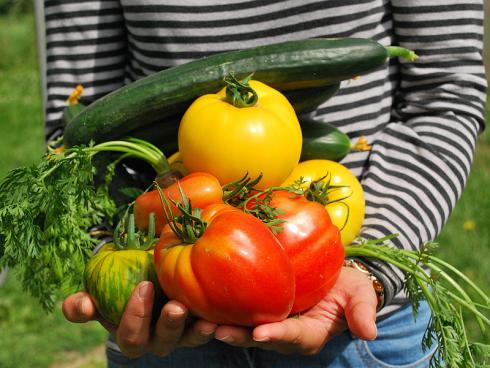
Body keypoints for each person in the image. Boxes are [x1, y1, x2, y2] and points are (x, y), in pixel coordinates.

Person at [44, 0, 487, 367]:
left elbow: (445, 95)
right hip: (165, 303)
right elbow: (77, 131)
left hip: (359, 318)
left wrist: (371, 268)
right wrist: (112, 259)